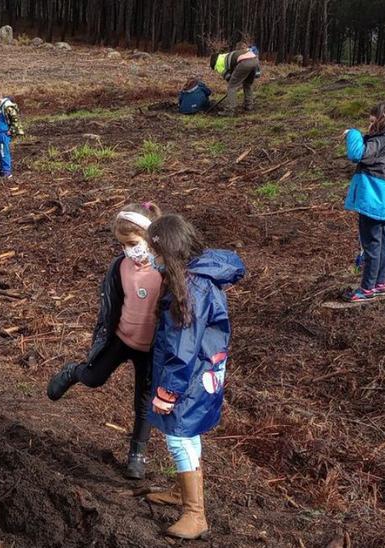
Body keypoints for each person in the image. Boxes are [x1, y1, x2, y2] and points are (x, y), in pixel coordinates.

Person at [142, 214, 245, 540]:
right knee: (186, 433)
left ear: (167, 252)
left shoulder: (193, 288)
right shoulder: (199, 274)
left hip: (189, 378)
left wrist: (167, 391)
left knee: (179, 436)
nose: (153, 260)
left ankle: (194, 513)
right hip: (201, 372)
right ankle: (183, 491)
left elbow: (183, 346)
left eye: (155, 253)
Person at [45, 202, 164, 480]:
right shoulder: (120, 267)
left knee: (144, 401)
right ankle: (74, 372)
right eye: (123, 245)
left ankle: (137, 452)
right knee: (94, 377)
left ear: (150, 238)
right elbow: (112, 303)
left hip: (151, 348)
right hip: (121, 338)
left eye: (133, 243)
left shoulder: (165, 270)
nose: (129, 250)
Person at [342, 102, 385, 303]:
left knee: (372, 244)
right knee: (383, 243)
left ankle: (367, 289)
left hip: (374, 200)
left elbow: (356, 154)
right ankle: (380, 283)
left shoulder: (382, 143)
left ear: (382, 121)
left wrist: (352, 133)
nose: (368, 124)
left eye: (371, 121)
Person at [209, 41, 260, 115]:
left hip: (245, 62)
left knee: (231, 87)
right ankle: (249, 106)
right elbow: (235, 69)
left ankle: (230, 110)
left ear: (213, 64)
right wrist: (239, 79)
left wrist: (234, 84)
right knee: (248, 84)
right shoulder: (225, 56)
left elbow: (229, 78)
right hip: (255, 60)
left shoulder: (218, 64)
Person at [0, 91, 25, 178]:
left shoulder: (7, 107)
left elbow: (15, 120)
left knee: (3, 152)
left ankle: (7, 172)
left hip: (3, 133)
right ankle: (2, 169)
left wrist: (12, 130)